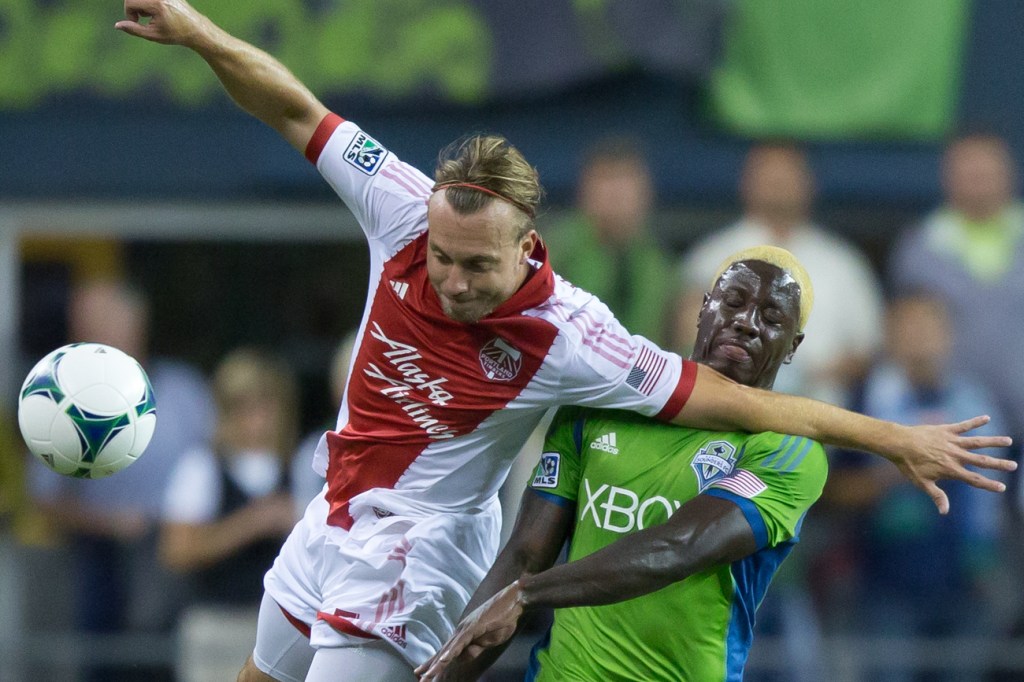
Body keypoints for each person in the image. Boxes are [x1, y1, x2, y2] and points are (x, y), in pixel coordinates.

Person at [114, 4, 1013, 681]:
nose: (453, 282)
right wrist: (201, 33)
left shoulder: (575, 338)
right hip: (335, 511)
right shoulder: (396, 203)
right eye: (442, 258)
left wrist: (896, 438)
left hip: (422, 545)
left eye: (476, 266)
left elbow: (749, 403)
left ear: (528, 246)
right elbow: (292, 108)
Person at [417, 246, 825, 680]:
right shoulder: (606, 403)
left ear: (792, 347)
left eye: (772, 317)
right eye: (734, 302)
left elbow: (679, 546)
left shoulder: (789, 451)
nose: (746, 322)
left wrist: (526, 595)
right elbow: (524, 555)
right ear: (704, 309)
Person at [28, 279, 216, 682]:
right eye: (86, 326)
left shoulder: (183, 389)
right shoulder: (58, 398)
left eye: (106, 324)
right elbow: (43, 497)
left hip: (179, 555)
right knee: (104, 665)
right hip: (101, 560)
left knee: (170, 662)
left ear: (137, 325)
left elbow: (220, 466)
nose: (93, 336)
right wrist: (108, 522)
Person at [825, 290, 1007, 682]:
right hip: (885, 578)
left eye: (931, 325)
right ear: (889, 335)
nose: (921, 337)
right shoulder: (863, 402)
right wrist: (897, 469)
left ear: (950, 335)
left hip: (967, 578)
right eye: (909, 326)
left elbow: (1002, 484)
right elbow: (830, 489)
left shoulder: (977, 401)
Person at [673, 142, 884, 406]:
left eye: (787, 176)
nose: (778, 184)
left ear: (809, 183)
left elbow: (867, 350)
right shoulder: (711, 256)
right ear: (746, 182)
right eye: (768, 175)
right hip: (726, 409)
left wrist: (808, 375)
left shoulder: (843, 263)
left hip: (816, 416)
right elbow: (686, 337)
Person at [888, 132, 1024, 443]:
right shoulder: (918, 247)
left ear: (1008, 174)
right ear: (947, 176)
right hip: (950, 422)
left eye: (986, 169)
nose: (978, 178)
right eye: (967, 170)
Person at [160, 347, 301, 607]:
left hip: (288, 623)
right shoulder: (201, 468)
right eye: (243, 409)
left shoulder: (303, 466)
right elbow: (177, 551)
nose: (257, 422)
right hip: (219, 620)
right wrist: (251, 523)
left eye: (265, 406)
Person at [544, 135, 675, 344]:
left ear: (646, 190)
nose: (616, 193)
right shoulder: (553, 253)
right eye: (605, 180)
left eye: (625, 180)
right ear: (583, 190)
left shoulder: (659, 257)